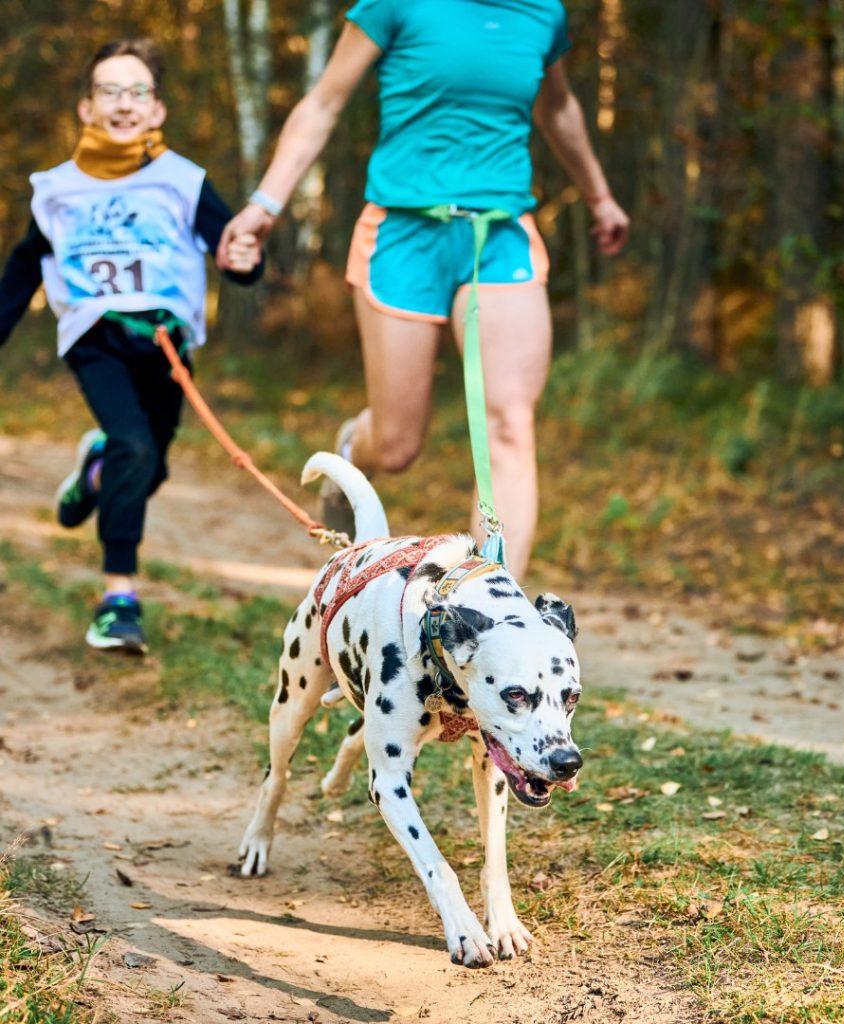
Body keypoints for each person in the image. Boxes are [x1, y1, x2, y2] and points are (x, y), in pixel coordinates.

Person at [217, 0, 629, 580]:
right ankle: (352, 455)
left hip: (500, 234)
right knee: (396, 446)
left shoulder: (541, 12)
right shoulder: (394, 5)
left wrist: (599, 195)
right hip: (403, 236)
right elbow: (324, 103)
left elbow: (557, 107)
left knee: (510, 423)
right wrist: (265, 205)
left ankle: (489, 606)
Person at [0, 38, 263, 654]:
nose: (124, 103)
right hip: (96, 336)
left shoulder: (183, 181)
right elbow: (19, 275)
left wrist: (246, 261)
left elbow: (233, 253)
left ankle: (96, 469)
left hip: (167, 342)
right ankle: (118, 600)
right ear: (86, 108)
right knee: (134, 445)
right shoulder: (55, 190)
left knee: (148, 463)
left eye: (137, 91)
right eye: (109, 91)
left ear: (158, 110)